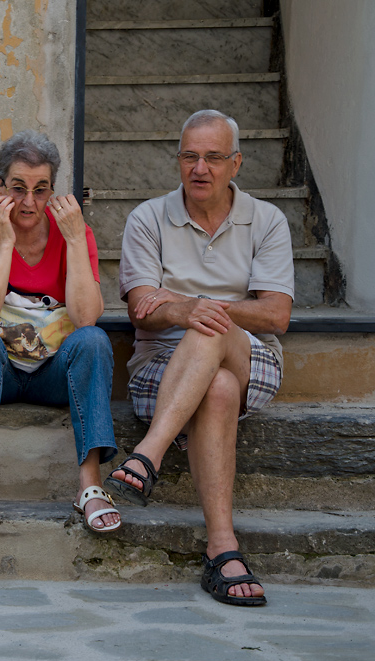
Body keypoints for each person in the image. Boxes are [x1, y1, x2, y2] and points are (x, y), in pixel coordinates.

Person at [110, 109, 294, 606]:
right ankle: (223, 550)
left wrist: (191, 307)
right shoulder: (148, 217)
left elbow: (276, 316)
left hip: (251, 360)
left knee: (213, 327)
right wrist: (177, 311)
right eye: (190, 156)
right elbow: (142, 313)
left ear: (236, 163)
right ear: (178, 161)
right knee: (216, 387)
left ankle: (148, 454)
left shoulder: (267, 220)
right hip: (159, 370)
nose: (200, 168)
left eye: (214, 157)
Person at [0, 131, 119, 536]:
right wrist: (5, 243)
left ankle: (90, 486)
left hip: (54, 375)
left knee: (94, 341)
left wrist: (76, 239)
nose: (29, 203)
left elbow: (86, 317)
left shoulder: (74, 235)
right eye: (18, 188)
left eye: (41, 191)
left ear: (54, 192)